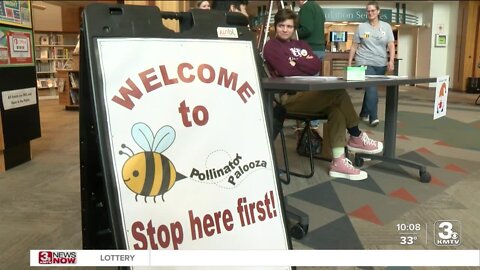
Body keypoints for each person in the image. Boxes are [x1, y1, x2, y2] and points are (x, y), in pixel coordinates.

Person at [263, 8, 383, 181]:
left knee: (337, 110)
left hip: (309, 95)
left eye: (289, 26)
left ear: (294, 28)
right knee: (337, 92)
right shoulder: (271, 46)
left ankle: (338, 162)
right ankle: (356, 135)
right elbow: (284, 69)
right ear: (276, 26)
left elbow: (315, 67)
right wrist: (302, 62)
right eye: (281, 25)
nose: (285, 29)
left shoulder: (302, 45)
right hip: (288, 98)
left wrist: (295, 62)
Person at [348, 1, 395, 127]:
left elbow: (391, 45)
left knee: (370, 88)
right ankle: (373, 117)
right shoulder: (361, 27)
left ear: (378, 11)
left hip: (380, 63)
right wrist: (349, 63)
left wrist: (391, 61)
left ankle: (364, 113)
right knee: (372, 87)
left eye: (373, 10)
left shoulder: (386, 27)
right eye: (368, 11)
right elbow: (354, 46)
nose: (370, 13)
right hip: (364, 61)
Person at [295, 0, 326, 128]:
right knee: (314, 85)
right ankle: (313, 120)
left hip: (309, 49)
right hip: (319, 50)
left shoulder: (306, 8)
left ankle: (311, 121)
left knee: (307, 88)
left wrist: (294, 33)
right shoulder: (318, 7)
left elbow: (306, 29)